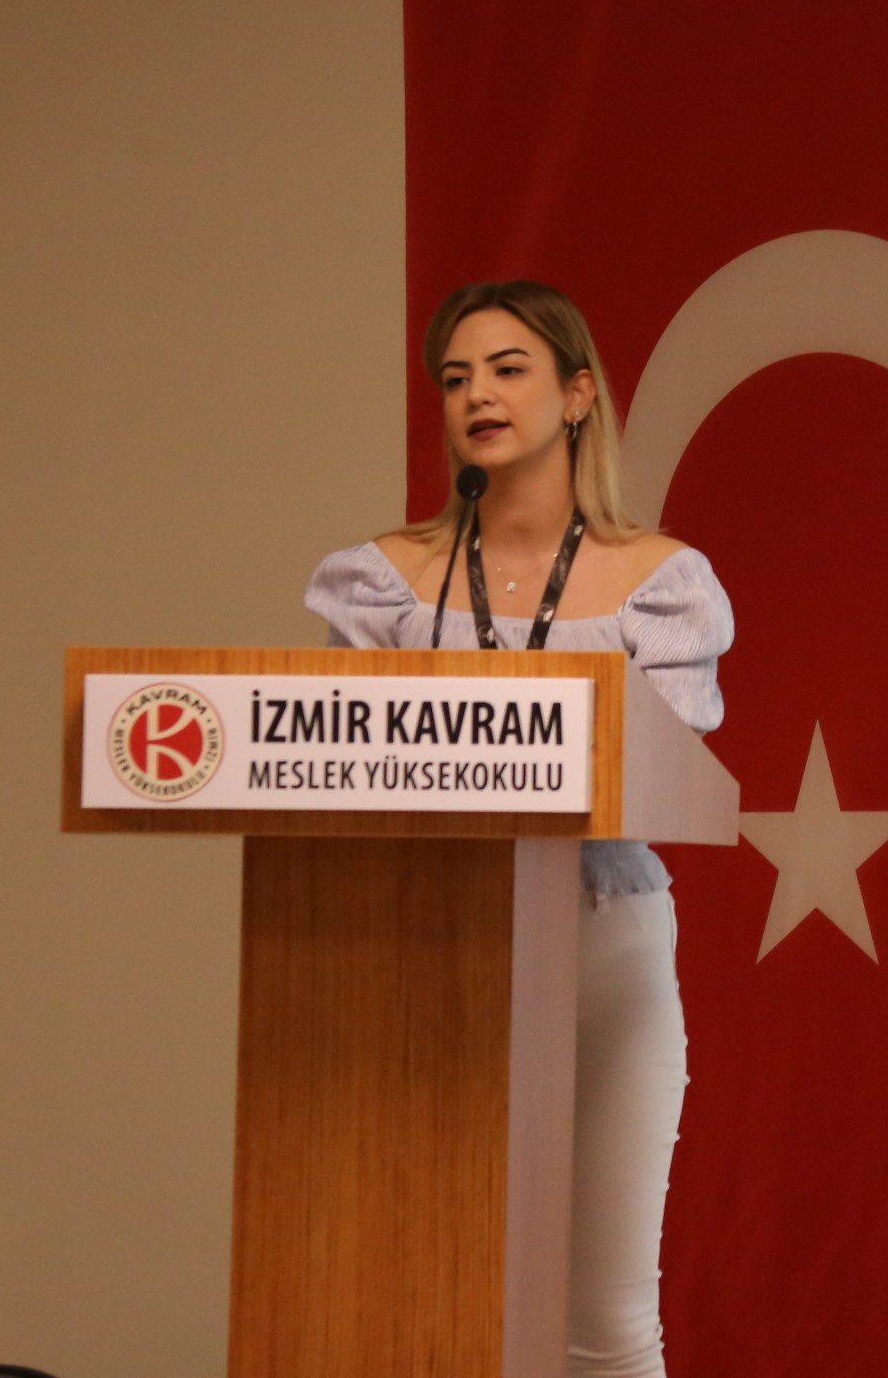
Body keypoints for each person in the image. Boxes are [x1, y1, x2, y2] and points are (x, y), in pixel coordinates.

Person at [304, 279, 729, 1378]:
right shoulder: (387, 583)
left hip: (604, 943)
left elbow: (663, 772)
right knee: (430, 1306)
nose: (476, 396)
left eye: (506, 370)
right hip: (430, 947)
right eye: (455, 378)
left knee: (607, 1326)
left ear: (578, 395)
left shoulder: (659, 582)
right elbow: (341, 765)